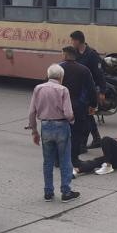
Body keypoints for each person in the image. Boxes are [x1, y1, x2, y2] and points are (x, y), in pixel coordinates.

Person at [27, 64, 79, 202]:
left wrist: (34, 130)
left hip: (45, 126)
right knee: (65, 160)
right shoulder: (63, 90)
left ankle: (48, 192)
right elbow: (68, 113)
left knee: (48, 161)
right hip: (61, 126)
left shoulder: (38, 89)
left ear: (48, 75)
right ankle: (66, 192)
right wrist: (73, 120)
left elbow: (32, 112)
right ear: (61, 77)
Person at [59, 46, 98, 167]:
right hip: (78, 106)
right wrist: (93, 105)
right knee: (76, 134)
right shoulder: (84, 70)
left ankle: (58, 160)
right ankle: (74, 159)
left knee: (60, 133)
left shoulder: (58, 69)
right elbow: (91, 89)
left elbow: (48, 86)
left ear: (65, 55)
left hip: (60, 107)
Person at [69, 31, 107, 148]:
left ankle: (84, 142)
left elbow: (99, 74)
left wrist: (102, 91)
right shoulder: (74, 53)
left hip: (89, 88)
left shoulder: (91, 54)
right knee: (87, 114)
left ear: (78, 41)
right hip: (78, 89)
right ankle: (96, 138)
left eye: (72, 40)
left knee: (85, 114)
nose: (71, 43)